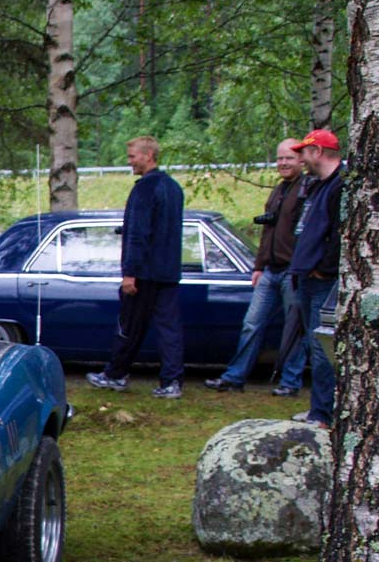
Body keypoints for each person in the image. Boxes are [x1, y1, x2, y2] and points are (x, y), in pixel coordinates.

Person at [205, 139, 310, 394]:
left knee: (294, 329)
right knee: (251, 324)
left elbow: (309, 234)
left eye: (289, 158)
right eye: (280, 158)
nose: (283, 163)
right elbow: (267, 231)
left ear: (301, 160)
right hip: (270, 271)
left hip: (293, 272)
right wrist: (259, 266)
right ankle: (235, 377)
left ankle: (290, 383)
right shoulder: (279, 190)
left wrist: (302, 268)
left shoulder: (307, 190)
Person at [87, 136, 186, 398]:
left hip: (144, 272)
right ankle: (172, 381)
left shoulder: (144, 189)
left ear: (148, 155)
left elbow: (138, 234)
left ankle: (115, 374)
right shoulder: (174, 188)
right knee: (169, 329)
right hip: (168, 270)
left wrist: (129, 273)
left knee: (129, 325)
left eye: (132, 156)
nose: (129, 162)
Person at [287, 128, 345, 429]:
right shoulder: (316, 187)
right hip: (306, 276)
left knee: (323, 347)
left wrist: (324, 268)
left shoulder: (340, 186)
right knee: (313, 344)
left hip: (323, 280)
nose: (302, 159)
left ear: (318, 152)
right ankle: (317, 409)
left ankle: (324, 414)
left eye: (305, 153)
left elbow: (340, 233)